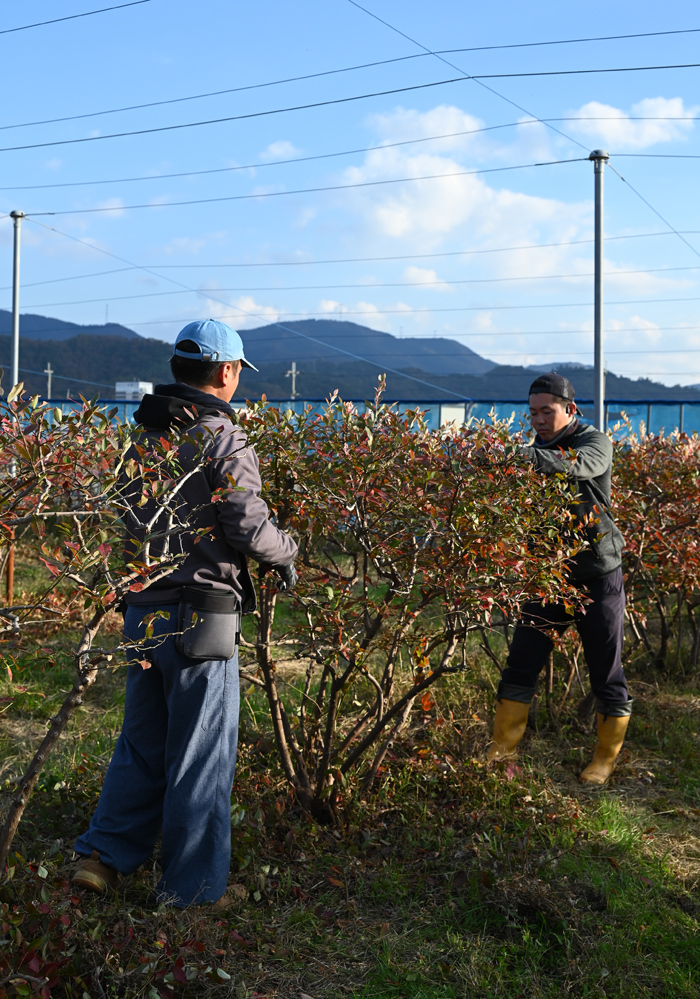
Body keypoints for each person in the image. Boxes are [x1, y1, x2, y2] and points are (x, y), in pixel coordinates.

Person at [72, 319, 298, 907]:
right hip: (203, 615)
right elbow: (246, 523)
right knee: (201, 756)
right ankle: (193, 894)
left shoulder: (144, 435)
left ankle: (102, 858)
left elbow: (127, 523)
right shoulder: (222, 435)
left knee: (142, 744)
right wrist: (287, 551)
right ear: (226, 372)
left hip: (141, 610)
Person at [486, 372, 632, 784]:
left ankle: (604, 759)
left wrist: (523, 459)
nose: (538, 420)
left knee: (606, 671)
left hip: (597, 574)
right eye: (532, 413)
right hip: (547, 576)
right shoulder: (533, 449)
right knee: (521, 665)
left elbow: (582, 466)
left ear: (570, 409)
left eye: (546, 412)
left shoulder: (593, 441)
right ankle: (501, 751)